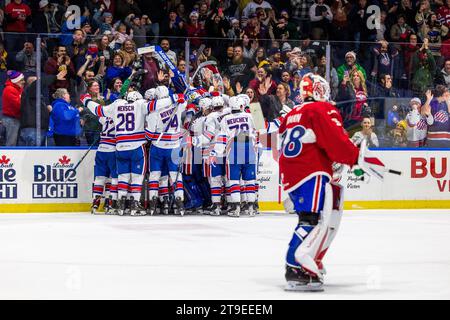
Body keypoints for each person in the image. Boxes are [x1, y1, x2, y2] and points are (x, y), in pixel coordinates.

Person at [269, 73, 377, 291]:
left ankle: (310, 259)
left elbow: (287, 141)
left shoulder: (292, 113)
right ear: (319, 91)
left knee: (308, 217)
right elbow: (335, 140)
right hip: (310, 171)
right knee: (314, 218)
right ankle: (296, 265)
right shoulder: (321, 109)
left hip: (291, 173)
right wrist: (354, 157)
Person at [214, 96, 258, 217]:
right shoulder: (250, 115)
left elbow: (222, 138)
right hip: (249, 148)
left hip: (233, 149)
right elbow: (260, 130)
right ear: (241, 106)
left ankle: (236, 207)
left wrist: (216, 153)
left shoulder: (225, 119)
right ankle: (251, 207)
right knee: (250, 180)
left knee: (233, 180)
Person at [1, 70, 25, 146]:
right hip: (11, 119)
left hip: (15, 118)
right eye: (21, 80)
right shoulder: (10, 89)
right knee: (11, 142)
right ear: (16, 81)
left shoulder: (18, 89)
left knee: (14, 142)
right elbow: (18, 104)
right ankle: (10, 157)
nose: (24, 82)